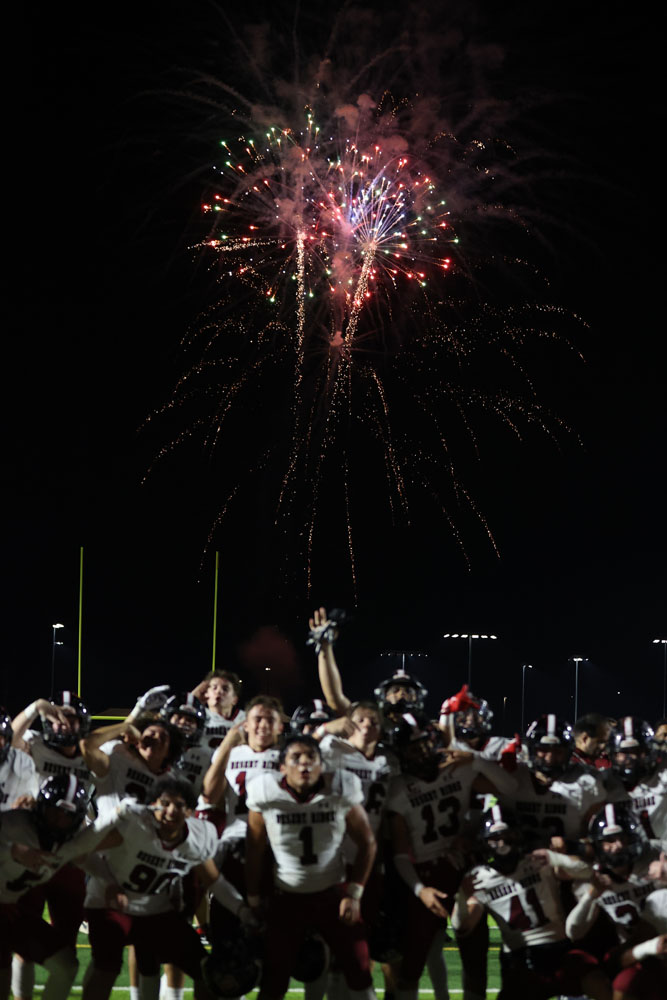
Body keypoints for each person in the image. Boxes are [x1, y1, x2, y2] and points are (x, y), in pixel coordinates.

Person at [81, 775, 247, 1000]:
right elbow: (82, 851)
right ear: (152, 806)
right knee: (106, 969)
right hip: (109, 905)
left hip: (154, 910)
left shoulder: (198, 837)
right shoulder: (135, 825)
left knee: (207, 969)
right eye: (165, 804)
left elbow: (214, 882)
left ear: (190, 812)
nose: (171, 811)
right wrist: (108, 882)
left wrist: (243, 910)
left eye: (180, 806)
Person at [245, 734, 378, 1000]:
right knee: (274, 979)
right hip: (286, 897)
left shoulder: (340, 788)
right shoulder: (265, 791)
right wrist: (253, 896)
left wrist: (354, 893)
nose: (304, 764)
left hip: (333, 894)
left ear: (322, 765)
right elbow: (255, 848)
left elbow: (368, 843)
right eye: (295, 758)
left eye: (311, 758)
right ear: (282, 767)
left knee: (359, 968)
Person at [452, 804, 612, 1000]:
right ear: (485, 843)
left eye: (507, 836)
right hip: (520, 959)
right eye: (495, 839)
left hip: (559, 948)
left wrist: (556, 858)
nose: (502, 844)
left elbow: (588, 871)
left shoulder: (537, 860)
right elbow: (462, 927)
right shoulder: (479, 878)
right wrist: (461, 897)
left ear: (518, 836)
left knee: (599, 982)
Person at [0, 775, 102, 1000]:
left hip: (12, 913)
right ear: (40, 807)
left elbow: (92, 859)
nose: (59, 820)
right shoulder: (12, 824)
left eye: (67, 815)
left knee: (66, 966)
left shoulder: (71, 841)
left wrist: (114, 884)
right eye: (54, 811)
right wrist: (11, 851)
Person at [192, 670, 246, 754]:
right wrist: (192, 699)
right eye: (214, 687)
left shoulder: (245, 720)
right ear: (206, 693)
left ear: (234, 699)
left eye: (225, 689)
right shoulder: (195, 715)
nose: (218, 691)